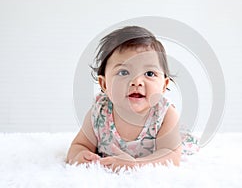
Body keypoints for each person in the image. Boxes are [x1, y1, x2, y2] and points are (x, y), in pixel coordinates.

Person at [66, 26, 182, 170]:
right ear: (104, 84)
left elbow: (171, 156)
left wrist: (135, 165)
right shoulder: (100, 112)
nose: (137, 81)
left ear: (164, 85)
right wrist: (80, 155)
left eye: (150, 73)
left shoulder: (165, 114)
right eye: (123, 72)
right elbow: (79, 145)